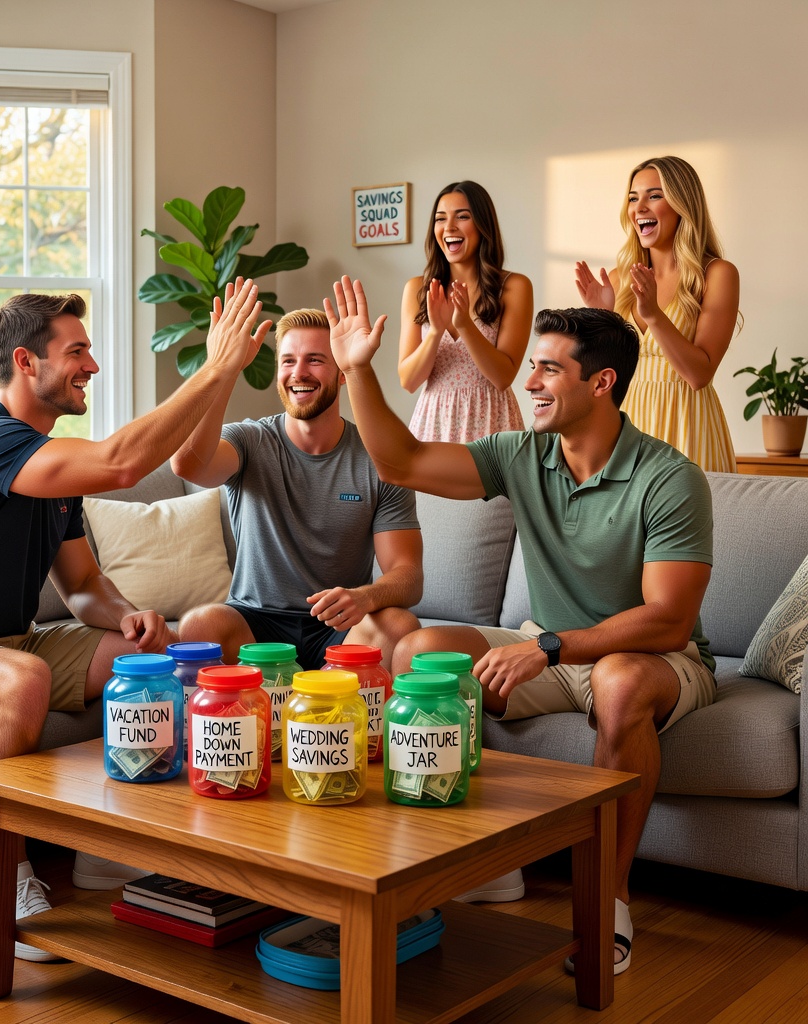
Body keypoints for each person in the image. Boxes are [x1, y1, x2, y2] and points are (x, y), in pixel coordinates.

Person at [0, 280, 269, 961]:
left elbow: (81, 585)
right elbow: (122, 462)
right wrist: (218, 367)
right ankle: (5, 879)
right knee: (21, 680)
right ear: (27, 363)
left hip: (8, 641)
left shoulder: (54, 469)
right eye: (77, 350)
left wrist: (130, 615)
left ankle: (143, 849)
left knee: (161, 661)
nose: (92, 365)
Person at [326, 276, 717, 975]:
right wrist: (357, 367)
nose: (527, 380)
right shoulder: (520, 453)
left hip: (651, 657)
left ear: (601, 383)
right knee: (421, 653)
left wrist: (549, 647)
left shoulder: (668, 476)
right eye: (530, 363)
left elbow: (667, 618)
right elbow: (401, 461)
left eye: (547, 368)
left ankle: (611, 901)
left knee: (620, 683)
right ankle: (462, 864)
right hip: (550, 644)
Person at [170, 305, 423, 672]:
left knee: (400, 625)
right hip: (254, 623)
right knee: (200, 624)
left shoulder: (376, 459)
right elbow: (189, 465)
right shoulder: (250, 440)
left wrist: (365, 597)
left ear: (341, 374)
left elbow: (408, 575)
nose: (298, 373)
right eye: (288, 361)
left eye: (315, 360)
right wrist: (222, 369)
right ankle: (292, 711)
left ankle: (320, 711)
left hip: (340, 629)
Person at [575, 155, 740, 472]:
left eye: (655, 195)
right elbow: (601, 377)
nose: (639, 208)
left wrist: (652, 315)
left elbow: (699, 375)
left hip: (687, 422)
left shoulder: (716, 274)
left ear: (682, 204)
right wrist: (602, 318)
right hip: (627, 423)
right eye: (633, 198)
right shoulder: (620, 280)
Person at [398, 180, 532, 442]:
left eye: (462, 216)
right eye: (440, 219)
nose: (449, 227)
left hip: (494, 423)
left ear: (483, 225)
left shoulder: (514, 287)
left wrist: (465, 326)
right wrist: (436, 331)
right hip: (434, 424)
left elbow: (503, 377)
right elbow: (409, 381)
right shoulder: (417, 289)